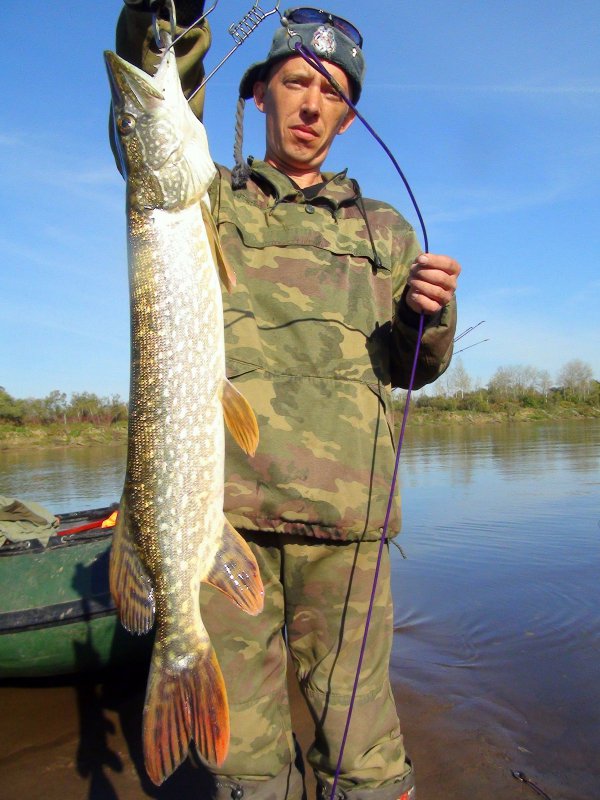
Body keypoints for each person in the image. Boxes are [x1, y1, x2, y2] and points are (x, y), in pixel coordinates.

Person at [114, 3, 461, 799]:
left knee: (365, 757)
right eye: (297, 80)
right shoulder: (209, 201)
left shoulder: (385, 228)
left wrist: (427, 317)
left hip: (346, 539)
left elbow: (413, 368)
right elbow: (151, 117)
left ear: (347, 115)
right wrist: (165, 17)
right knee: (245, 768)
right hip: (223, 523)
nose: (311, 103)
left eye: (332, 91)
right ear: (260, 92)